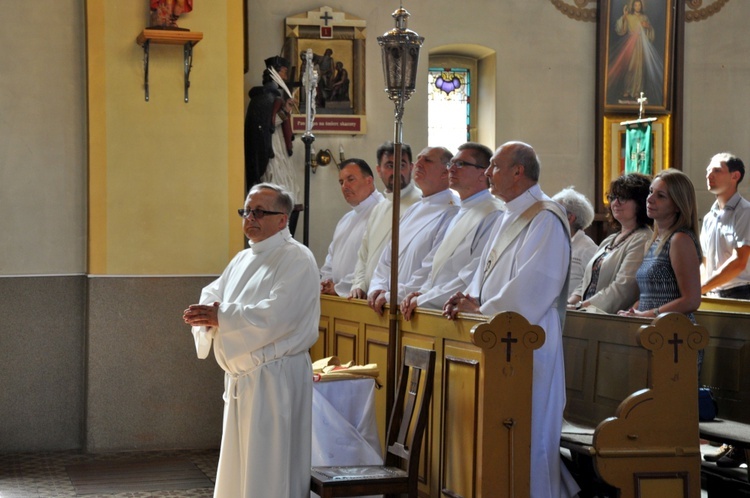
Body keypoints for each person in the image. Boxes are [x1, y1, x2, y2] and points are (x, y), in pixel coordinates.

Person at [443, 141, 578, 498]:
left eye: (495, 167)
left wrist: (483, 310)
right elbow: (483, 273)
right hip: (497, 337)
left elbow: (537, 285)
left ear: (519, 171)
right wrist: (470, 299)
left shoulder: (545, 217)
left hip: (527, 342)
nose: (488, 173)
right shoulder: (508, 213)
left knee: (528, 432)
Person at [182, 183, 319, 497]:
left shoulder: (297, 258)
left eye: (260, 212)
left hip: (275, 380)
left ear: (282, 220)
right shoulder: (243, 259)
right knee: (241, 468)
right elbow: (213, 294)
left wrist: (222, 317)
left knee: (270, 470)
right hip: (244, 380)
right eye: (247, 211)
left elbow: (279, 315)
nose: (250, 218)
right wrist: (205, 317)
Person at [400, 142, 504, 320]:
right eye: (451, 164)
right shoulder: (460, 212)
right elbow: (438, 266)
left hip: (455, 311)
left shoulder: (493, 213)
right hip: (436, 306)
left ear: (483, 173)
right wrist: (420, 292)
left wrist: (426, 299)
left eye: (461, 164)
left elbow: (471, 274)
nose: (452, 169)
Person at [367, 146, 459, 315]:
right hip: (387, 304)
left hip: (414, 307)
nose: (418, 164)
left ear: (446, 172)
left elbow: (432, 269)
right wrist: (377, 287)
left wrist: (395, 295)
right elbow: (387, 257)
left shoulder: (453, 212)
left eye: (428, 160)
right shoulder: (413, 209)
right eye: (418, 158)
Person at [617, 169, 702, 321]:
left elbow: (691, 300)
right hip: (651, 329)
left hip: (673, 332)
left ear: (678, 205)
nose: (650, 199)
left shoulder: (679, 240)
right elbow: (648, 296)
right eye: (651, 192)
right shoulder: (654, 240)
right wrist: (633, 311)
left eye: (661, 196)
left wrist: (647, 315)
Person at [568, 173, 653, 314]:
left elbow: (623, 288)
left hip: (615, 320)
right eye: (613, 197)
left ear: (640, 202)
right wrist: (570, 304)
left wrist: (582, 307)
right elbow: (585, 282)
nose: (616, 203)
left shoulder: (642, 238)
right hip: (588, 314)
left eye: (623, 197)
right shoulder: (610, 240)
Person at [349, 142, 422, 299]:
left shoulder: (421, 204)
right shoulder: (379, 209)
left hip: (399, 299)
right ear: (379, 170)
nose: (396, 171)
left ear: (411, 167)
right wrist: (359, 284)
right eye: (389, 165)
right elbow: (364, 255)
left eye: (401, 164)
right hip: (370, 298)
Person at [320, 159, 385, 296]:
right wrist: (327, 280)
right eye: (341, 182)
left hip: (364, 298)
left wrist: (339, 287)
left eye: (350, 179)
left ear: (369, 181)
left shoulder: (383, 213)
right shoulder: (345, 219)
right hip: (338, 298)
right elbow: (331, 257)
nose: (345, 186)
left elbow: (375, 262)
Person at [244, 56, 299, 205]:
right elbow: (269, 124)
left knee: (285, 183)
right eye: (284, 72)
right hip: (269, 148)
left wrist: (285, 110)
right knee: (275, 181)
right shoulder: (264, 98)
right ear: (275, 73)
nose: (286, 76)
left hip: (277, 143)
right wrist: (284, 112)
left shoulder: (273, 96)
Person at [701, 153, 750, 299]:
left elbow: (740, 261)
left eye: (716, 171)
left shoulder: (745, 211)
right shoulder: (709, 217)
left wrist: (701, 288)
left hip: (740, 293)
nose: (709, 175)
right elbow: (705, 263)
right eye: (708, 171)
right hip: (712, 292)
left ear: (735, 176)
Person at [607, 0, 663, 105]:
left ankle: (637, 91)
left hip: (640, 45)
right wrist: (624, 16)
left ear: (641, 6)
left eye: (639, 5)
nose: (637, 7)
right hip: (630, 45)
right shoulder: (629, 17)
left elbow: (650, 33)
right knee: (630, 67)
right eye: (636, 5)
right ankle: (627, 90)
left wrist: (648, 27)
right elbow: (621, 30)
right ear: (632, 6)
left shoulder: (644, 18)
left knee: (639, 68)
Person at [553, 187, 597, 296]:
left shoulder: (588, 249)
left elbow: (595, 285)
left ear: (570, 218)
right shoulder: (554, 243)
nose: (550, 218)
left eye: (554, 213)